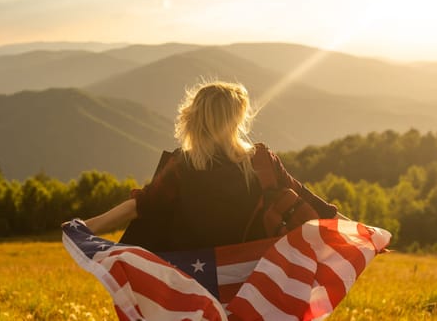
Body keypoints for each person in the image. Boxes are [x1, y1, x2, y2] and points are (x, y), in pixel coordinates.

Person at [82, 81, 339, 252]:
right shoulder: (261, 161)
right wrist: (366, 231)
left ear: (195, 119)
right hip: (252, 282)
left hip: (193, 281)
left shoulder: (183, 166)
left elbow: (143, 204)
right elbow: (310, 201)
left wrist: (88, 226)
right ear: (237, 119)